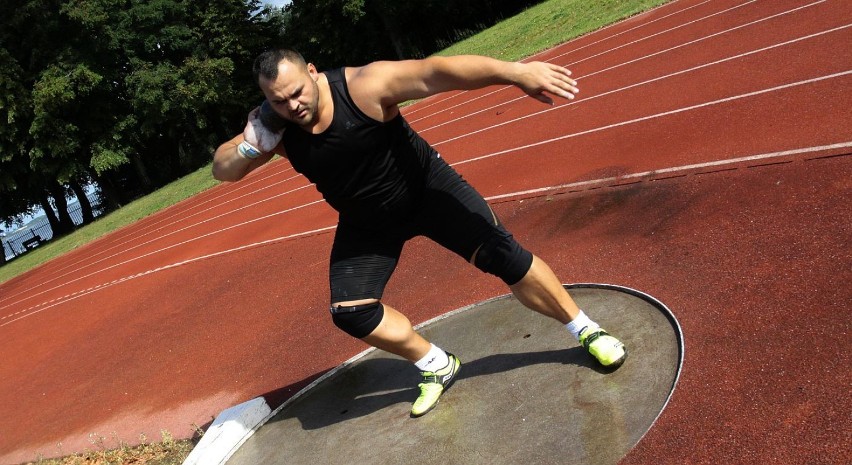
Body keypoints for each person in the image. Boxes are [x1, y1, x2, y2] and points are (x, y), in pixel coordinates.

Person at [213, 49, 627, 417]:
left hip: (427, 191)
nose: (293, 105)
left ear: (313, 72)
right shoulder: (275, 129)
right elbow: (222, 170)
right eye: (278, 101)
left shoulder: (364, 86)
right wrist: (252, 146)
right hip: (368, 221)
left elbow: (437, 72)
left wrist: (515, 72)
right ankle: (436, 364)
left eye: (297, 91)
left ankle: (585, 329)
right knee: (352, 312)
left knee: (506, 257)